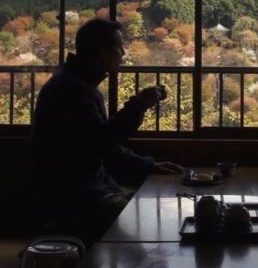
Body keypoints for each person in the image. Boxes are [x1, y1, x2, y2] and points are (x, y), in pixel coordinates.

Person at [31, 18, 183, 244]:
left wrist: (148, 166)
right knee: (154, 219)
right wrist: (138, 104)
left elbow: (101, 144)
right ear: (103, 52)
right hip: (74, 200)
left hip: (87, 190)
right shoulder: (71, 89)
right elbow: (103, 141)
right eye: (119, 48)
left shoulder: (77, 84)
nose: (123, 53)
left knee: (156, 210)